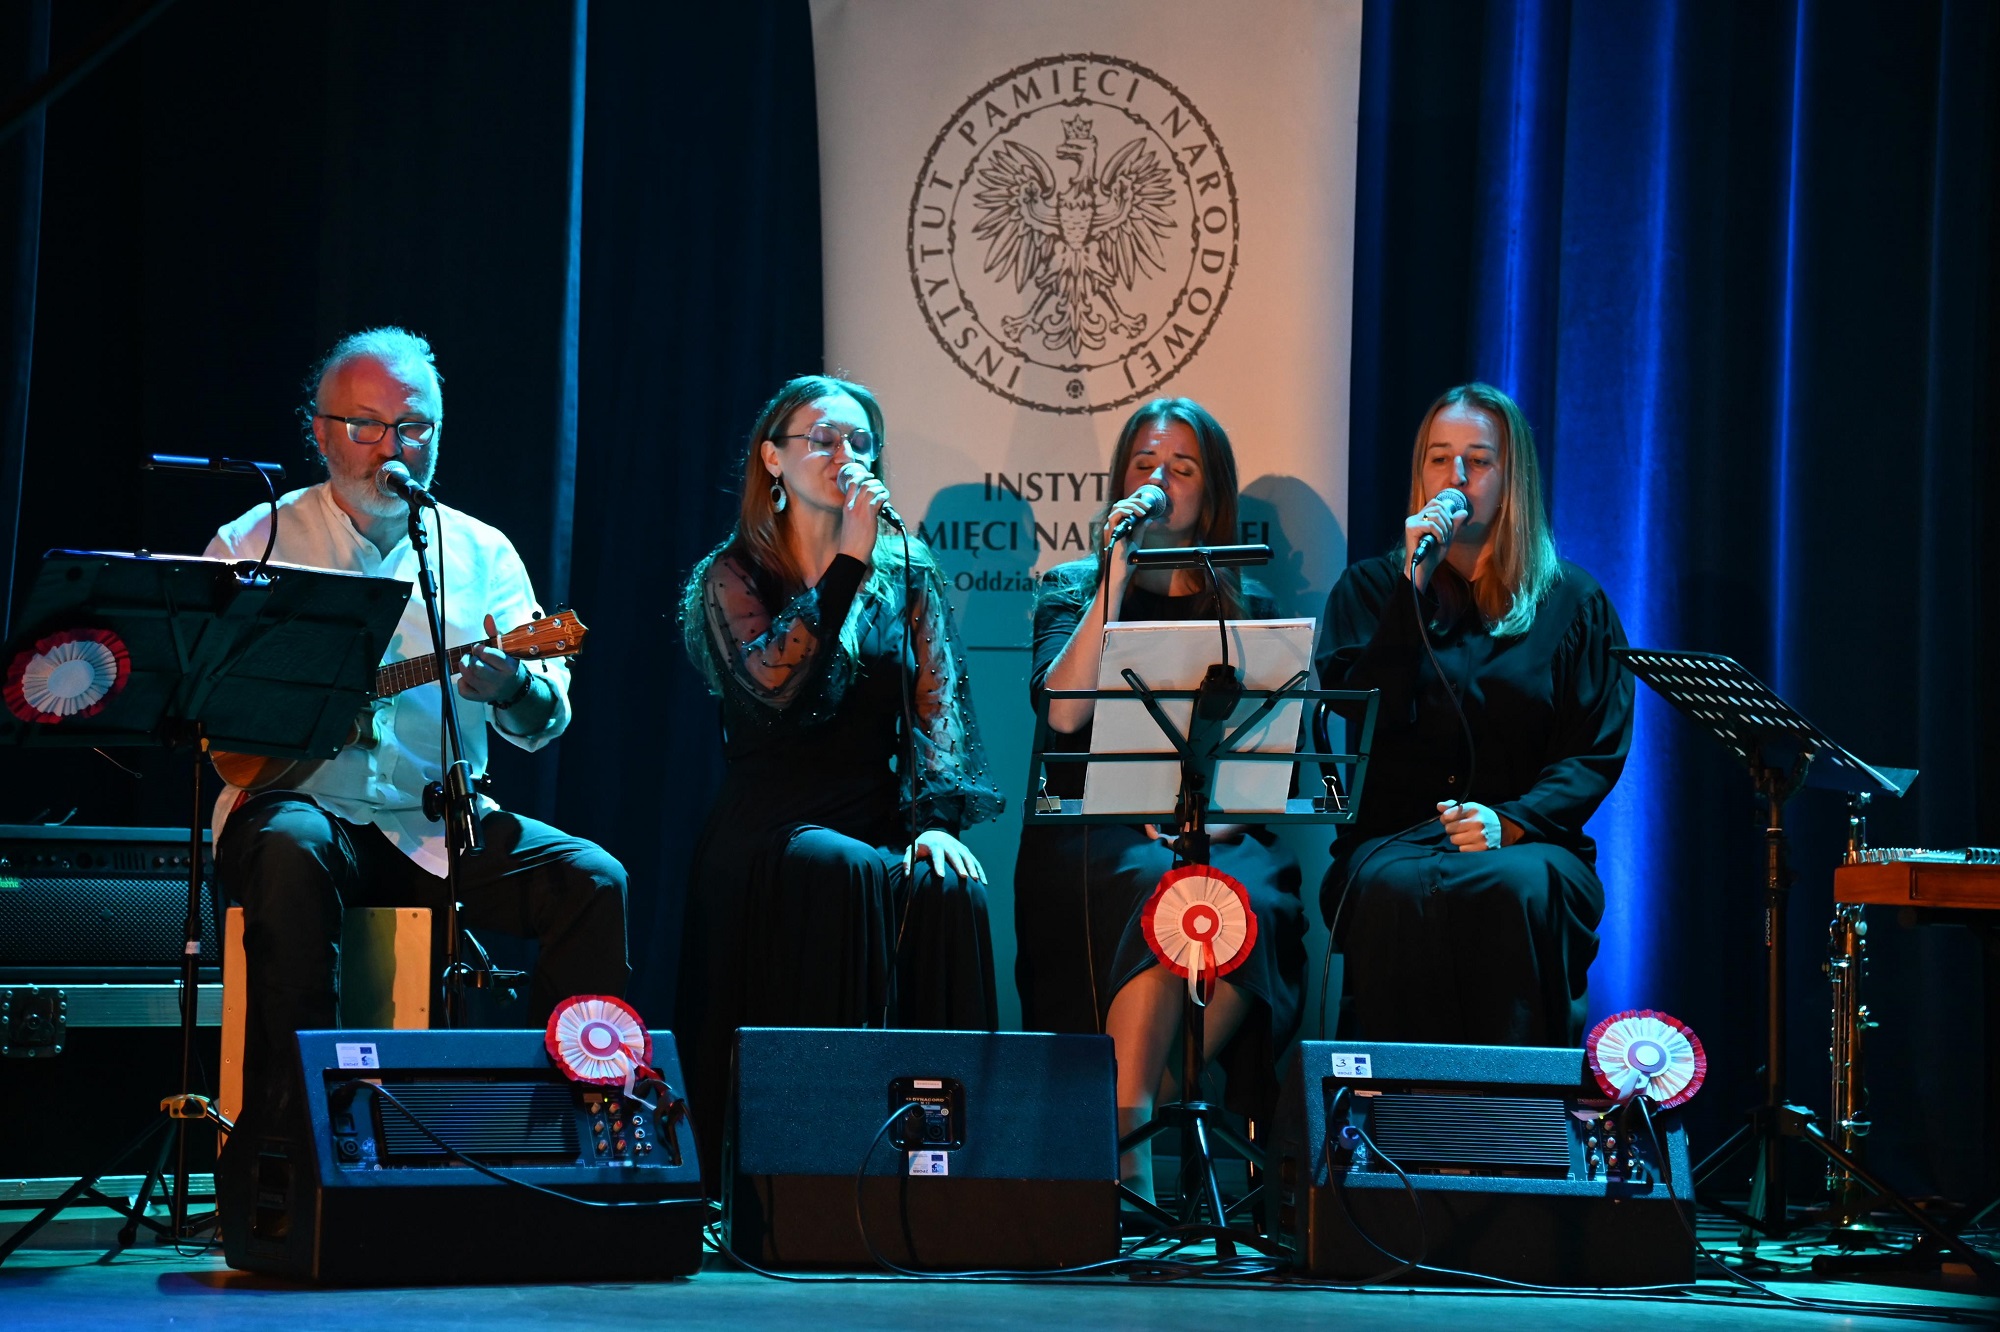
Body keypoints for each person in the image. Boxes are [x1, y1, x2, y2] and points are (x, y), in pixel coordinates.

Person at [208, 327, 629, 1114]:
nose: (391, 448)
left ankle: (569, 1121)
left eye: (413, 427)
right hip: (298, 809)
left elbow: (544, 716)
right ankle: (298, 1133)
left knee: (593, 880)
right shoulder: (256, 541)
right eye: (366, 425)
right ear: (320, 432)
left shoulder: (480, 553)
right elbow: (208, 704)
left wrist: (512, 685)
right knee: (293, 849)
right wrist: (308, 704)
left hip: (435, 824)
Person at [676, 374, 1003, 1183]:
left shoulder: (908, 571)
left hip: (872, 806)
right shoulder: (734, 574)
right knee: (842, 867)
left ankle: (948, 1168)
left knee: (947, 886)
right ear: (773, 460)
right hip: (770, 821)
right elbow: (774, 692)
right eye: (822, 440)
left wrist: (934, 824)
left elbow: (937, 708)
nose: (845, 456)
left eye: (860, 442)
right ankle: (809, 1165)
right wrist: (847, 563)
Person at [1013, 398, 1304, 1201]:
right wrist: (1114, 574)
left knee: (1243, 896)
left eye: (1181, 468)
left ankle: (1129, 1116)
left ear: (1211, 492)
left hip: (1220, 827)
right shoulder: (1072, 586)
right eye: (1145, 465)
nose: (1160, 481)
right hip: (1095, 829)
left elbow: (1270, 756)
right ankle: (1131, 1157)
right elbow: (1064, 715)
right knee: (1155, 886)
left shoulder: (1248, 602)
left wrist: (1211, 819)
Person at [1315, 382, 1632, 1046]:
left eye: (1479, 460)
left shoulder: (1572, 602)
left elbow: (1593, 751)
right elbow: (1363, 712)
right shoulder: (1370, 590)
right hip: (1397, 841)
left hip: (1530, 844)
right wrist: (1412, 588)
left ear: (1512, 478)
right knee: (1391, 888)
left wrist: (1510, 821)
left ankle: (1510, 1109)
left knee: (1517, 886)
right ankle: (1396, 1110)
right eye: (1439, 458)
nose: (1455, 476)